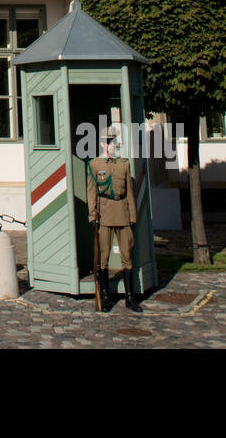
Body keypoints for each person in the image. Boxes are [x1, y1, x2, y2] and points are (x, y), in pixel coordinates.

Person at [87, 125, 142, 313]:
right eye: (110, 142)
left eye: (115, 142)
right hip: (104, 215)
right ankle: (104, 295)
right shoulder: (95, 165)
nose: (113, 145)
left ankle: (130, 297)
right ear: (103, 144)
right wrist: (92, 215)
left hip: (123, 214)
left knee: (127, 257)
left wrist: (132, 216)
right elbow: (92, 192)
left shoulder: (123, 164)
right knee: (104, 258)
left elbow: (129, 194)